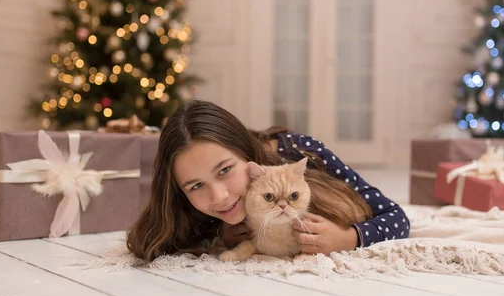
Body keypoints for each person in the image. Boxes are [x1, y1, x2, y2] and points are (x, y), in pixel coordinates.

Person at [127, 100, 410, 261]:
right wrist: (216, 233)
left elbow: (396, 217)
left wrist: (349, 238)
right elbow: (149, 240)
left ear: (246, 153)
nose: (220, 197)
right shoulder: (186, 196)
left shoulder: (302, 152)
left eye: (225, 170)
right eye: (196, 186)